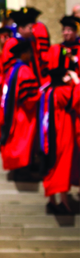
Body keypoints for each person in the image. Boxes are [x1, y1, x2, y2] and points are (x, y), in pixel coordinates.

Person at [38, 67, 79, 215]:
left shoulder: (48, 91)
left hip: (49, 134)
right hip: (61, 134)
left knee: (52, 166)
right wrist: (77, 82)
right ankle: (63, 204)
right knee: (61, 167)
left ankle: (53, 201)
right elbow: (76, 101)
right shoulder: (62, 91)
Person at [0, 39, 42, 181]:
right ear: (23, 54)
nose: (31, 55)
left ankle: (19, 170)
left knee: (17, 142)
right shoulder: (24, 70)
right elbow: (28, 98)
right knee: (23, 143)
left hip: (13, 112)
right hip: (23, 115)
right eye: (29, 52)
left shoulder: (12, 69)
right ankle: (23, 173)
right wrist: (40, 94)